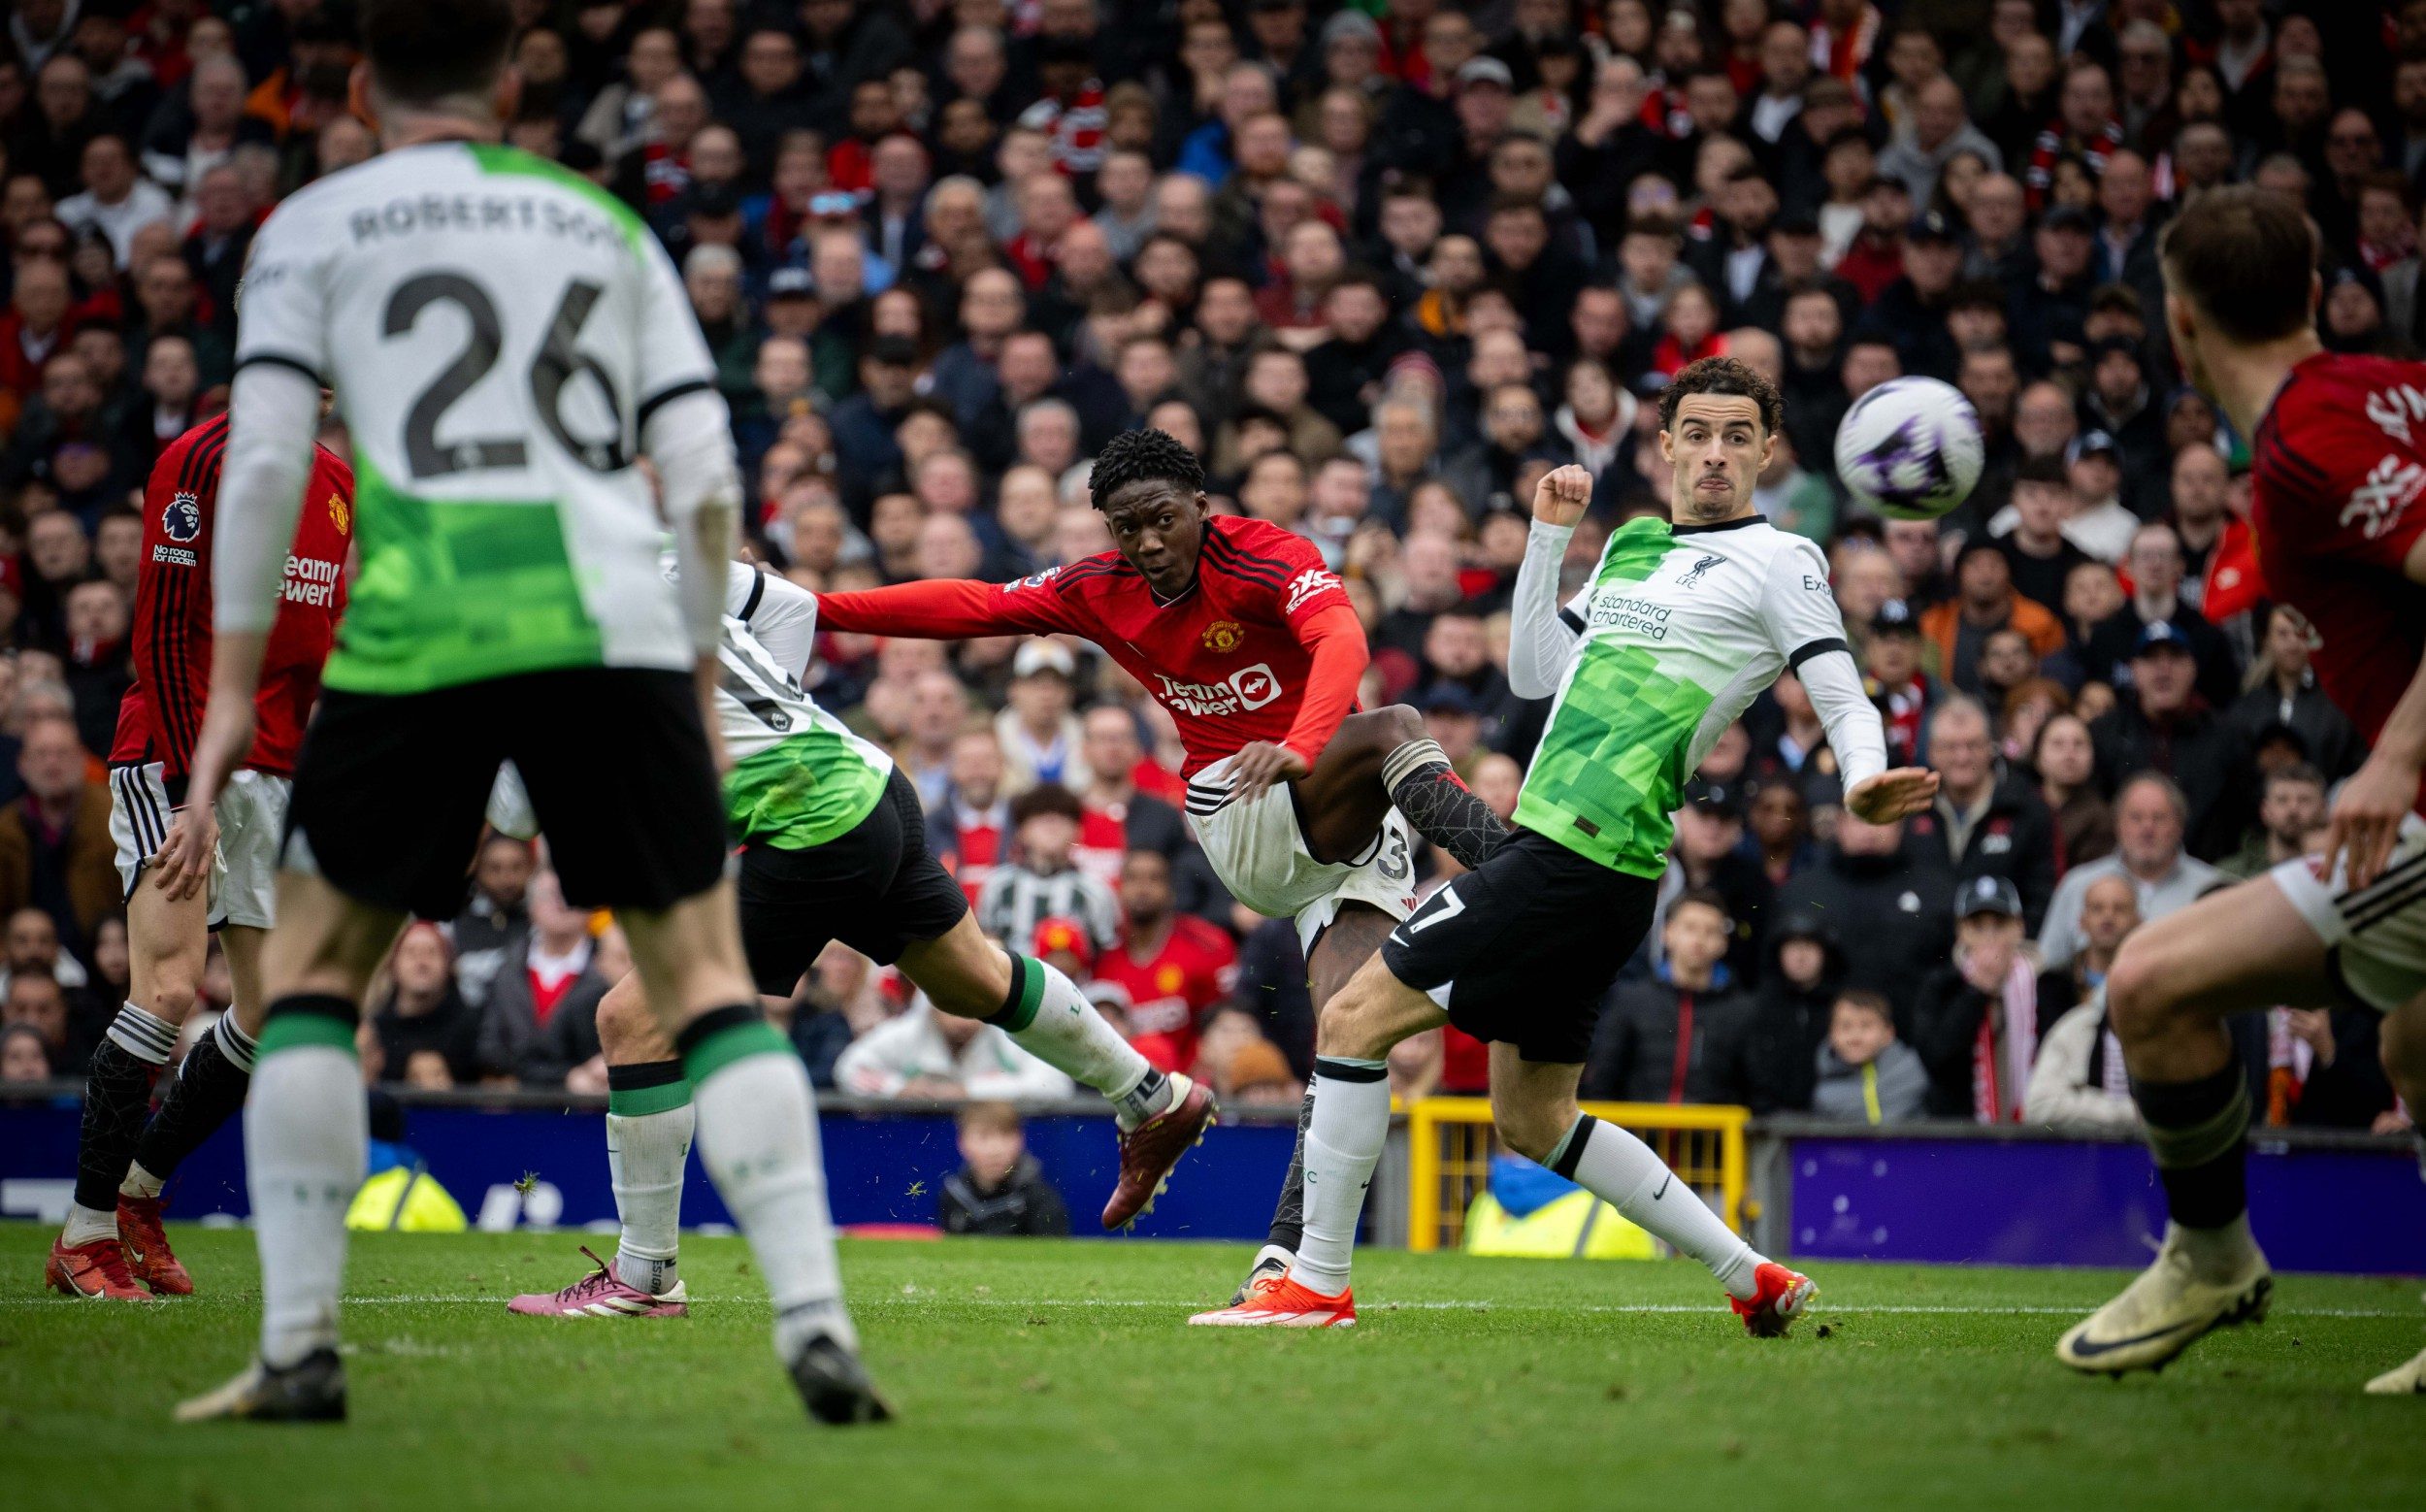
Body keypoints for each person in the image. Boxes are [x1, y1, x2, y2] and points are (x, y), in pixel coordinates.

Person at [161, 0, 883, 1425]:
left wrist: (228, 705)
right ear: (510, 84)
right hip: (608, 617)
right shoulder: (599, 222)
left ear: (361, 89)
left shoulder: (313, 225)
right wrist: (687, 661)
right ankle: (813, 1317)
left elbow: (257, 471)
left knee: (307, 983)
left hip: (424, 615)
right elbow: (697, 447)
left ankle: (299, 1348)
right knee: (709, 986)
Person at [1191, 358, 1935, 1330]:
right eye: (1698, 433)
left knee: (1351, 1022)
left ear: (1766, 450)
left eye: (1738, 436)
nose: (1715, 453)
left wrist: (1862, 774)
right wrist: (1546, 539)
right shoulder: (1628, 544)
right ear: (1663, 442)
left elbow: (1836, 683)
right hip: (1597, 872)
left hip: (1574, 855)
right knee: (1533, 1118)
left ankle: (1315, 1282)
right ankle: (1749, 1272)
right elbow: (1537, 671)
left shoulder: (1781, 560)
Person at [808, 427, 1513, 1301]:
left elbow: (1343, 644)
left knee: (1352, 1036)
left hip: (1342, 820)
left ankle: (1293, 1270)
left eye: (1161, 519)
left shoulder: (1266, 558)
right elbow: (976, 607)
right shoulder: (1097, 589)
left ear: (1202, 509)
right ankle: (1526, 878)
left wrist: (1302, 742)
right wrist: (818, 610)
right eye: (1124, 526)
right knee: (1399, 728)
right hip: (1242, 807)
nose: (1145, 543)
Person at [509, 557, 1213, 1320]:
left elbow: (515, 813)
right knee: (970, 980)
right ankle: (1150, 1092)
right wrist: (767, 719)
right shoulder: (655, 550)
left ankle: (643, 1278)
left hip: (807, 819)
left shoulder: (525, 623)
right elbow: (790, 607)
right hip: (867, 779)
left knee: (634, 1018)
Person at [2056, 186, 2426, 1395]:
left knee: (2150, 981)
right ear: (2315, 292)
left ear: (2176, 324)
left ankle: (2211, 1259)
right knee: (2419, 1041)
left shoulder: (2313, 432)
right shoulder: (2386, 389)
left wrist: (2394, 754)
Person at [44, 404, 352, 1302]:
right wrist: (192, 789)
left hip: (276, 766)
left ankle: (139, 1195)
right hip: (178, 755)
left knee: (272, 1010)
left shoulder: (335, 485)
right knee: (170, 989)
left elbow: (317, 650)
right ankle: (84, 1232)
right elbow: (164, 633)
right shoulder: (200, 459)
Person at [2038, 772, 2223, 973]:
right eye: (2136, 818)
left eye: (2159, 818)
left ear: (2179, 826)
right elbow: (2047, 970)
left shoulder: (2213, 889)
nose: (2147, 828)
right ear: (2118, 824)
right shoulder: (2077, 885)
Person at [1582, 889, 1752, 1104]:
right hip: (1636, 1135)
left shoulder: (1742, 1010)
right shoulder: (1631, 1000)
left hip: (1715, 1137)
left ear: (1723, 942)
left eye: (1711, 931)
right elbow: (1602, 1081)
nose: (1699, 939)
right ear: (1667, 933)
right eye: (1690, 928)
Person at [1913, 875, 2042, 1121]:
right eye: (1977, 926)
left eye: (1999, 924)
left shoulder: (2044, 985)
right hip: (1963, 1133)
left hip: (2032, 1132)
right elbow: (1937, 1059)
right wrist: (1978, 991)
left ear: (2019, 928)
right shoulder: (1941, 986)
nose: (1989, 936)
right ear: (1960, 931)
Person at [938, 1101, 1070, 1236]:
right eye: (983, 1136)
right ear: (962, 1142)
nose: (995, 1149)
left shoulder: (1042, 1200)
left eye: (1006, 1135)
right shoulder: (953, 1195)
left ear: (1021, 1139)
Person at [1809, 990, 1926, 1124]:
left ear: (1889, 1032)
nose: (1855, 1037)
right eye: (1845, 1027)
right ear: (1831, 1035)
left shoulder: (1916, 1071)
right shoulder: (1824, 1094)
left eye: (1866, 1025)